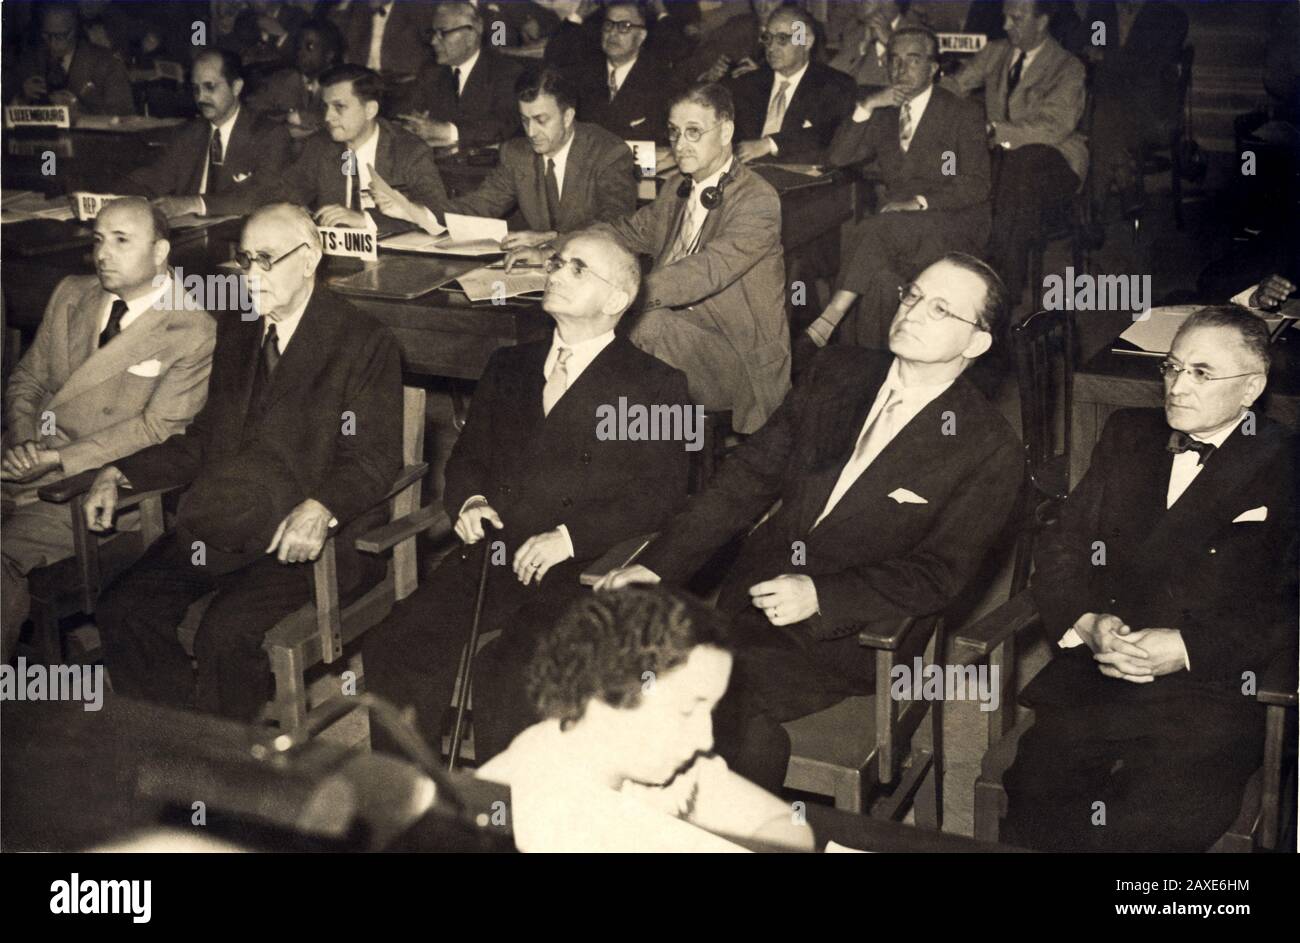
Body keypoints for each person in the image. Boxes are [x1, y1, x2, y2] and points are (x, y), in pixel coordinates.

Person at [598, 253, 1021, 791]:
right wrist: (659, 565)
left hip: (852, 638)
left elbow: (940, 574)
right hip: (749, 604)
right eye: (912, 295)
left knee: (701, 704)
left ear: (976, 342)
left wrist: (822, 596)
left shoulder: (988, 446)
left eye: (940, 309)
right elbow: (746, 478)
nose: (912, 312)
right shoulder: (838, 372)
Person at [364, 230, 692, 761]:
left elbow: (662, 496)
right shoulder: (508, 365)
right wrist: (469, 502)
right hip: (495, 553)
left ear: (617, 299)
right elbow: (468, 457)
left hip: (581, 570)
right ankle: (412, 796)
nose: (555, 272)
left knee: (511, 675)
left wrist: (570, 538)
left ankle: (509, 809)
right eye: (557, 262)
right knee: (394, 645)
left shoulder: (656, 385)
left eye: (578, 268)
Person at [89, 204, 403, 722]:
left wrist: (321, 507)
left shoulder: (362, 341)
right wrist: (125, 472)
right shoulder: (238, 331)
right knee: (124, 607)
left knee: (225, 636)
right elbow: (205, 438)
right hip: (229, 520)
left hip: (308, 540)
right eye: (245, 259)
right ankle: (176, 742)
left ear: (310, 259)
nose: (251, 274)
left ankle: (228, 766)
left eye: (266, 259)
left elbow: (373, 458)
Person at [1004, 306, 1298, 852]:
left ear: (1251, 387)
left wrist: (1186, 647)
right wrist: (1086, 622)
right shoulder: (1128, 433)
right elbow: (1064, 546)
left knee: (1151, 820)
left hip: (1213, 688)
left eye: (1202, 373)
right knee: (1037, 789)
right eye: (1172, 367)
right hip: (1103, 666)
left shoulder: (1287, 462)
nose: (1178, 387)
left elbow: (1289, 607)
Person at [1, 199, 215, 661]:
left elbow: (157, 430)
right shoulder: (72, 293)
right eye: (99, 240)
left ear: (160, 251)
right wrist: (23, 441)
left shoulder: (192, 328)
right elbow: (28, 380)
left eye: (121, 241)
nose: (103, 254)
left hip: (91, 493)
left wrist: (57, 459)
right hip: (20, 462)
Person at [477, 586, 815, 852]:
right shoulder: (533, 811)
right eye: (687, 710)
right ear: (606, 694)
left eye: (709, 711)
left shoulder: (649, 762)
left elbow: (787, 826)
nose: (705, 738)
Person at [582, 82, 792, 435]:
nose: (680, 144)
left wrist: (630, 293)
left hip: (736, 357)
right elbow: (626, 232)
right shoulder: (676, 189)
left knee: (644, 325)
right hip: (676, 338)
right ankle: (614, 436)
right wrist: (553, 245)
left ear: (725, 132)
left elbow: (706, 270)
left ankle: (624, 438)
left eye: (693, 132)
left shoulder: (757, 199)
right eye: (674, 132)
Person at [807, 27, 990, 352]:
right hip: (896, 232)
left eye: (913, 59)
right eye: (894, 60)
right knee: (881, 281)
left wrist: (919, 202)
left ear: (933, 68)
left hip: (953, 223)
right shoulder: (884, 112)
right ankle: (869, 367)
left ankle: (831, 316)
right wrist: (867, 106)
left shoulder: (962, 113)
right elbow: (838, 158)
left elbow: (976, 185)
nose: (901, 69)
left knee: (876, 226)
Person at [374, 67, 636, 251]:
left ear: (568, 116)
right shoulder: (516, 154)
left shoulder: (609, 153)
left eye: (541, 120)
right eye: (525, 120)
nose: (531, 132)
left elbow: (615, 224)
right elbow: (478, 206)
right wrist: (416, 211)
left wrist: (552, 239)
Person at [946, 0, 1088, 305]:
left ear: (1042, 21)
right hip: (1005, 163)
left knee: (1020, 167)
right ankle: (974, 272)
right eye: (1005, 18)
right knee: (970, 167)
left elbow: (1054, 126)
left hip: (1055, 160)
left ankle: (1001, 288)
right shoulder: (996, 52)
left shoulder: (1067, 66)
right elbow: (956, 85)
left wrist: (993, 131)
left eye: (1016, 19)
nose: (1006, 26)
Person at [273, 64, 448, 234]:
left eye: (339, 107)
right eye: (326, 107)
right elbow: (286, 194)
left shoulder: (409, 150)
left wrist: (367, 220)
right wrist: (299, 213)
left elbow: (437, 212)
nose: (328, 117)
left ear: (370, 110)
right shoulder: (320, 146)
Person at [120, 50, 292, 219]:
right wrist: (117, 196)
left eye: (210, 87)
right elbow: (154, 178)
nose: (201, 97)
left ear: (236, 87)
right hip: (188, 231)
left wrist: (195, 204)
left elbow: (263, 194)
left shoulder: (270, 135)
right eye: (196, 89)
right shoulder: (188, 134)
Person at [1082, 1, 1189, 224]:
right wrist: (1105, 57)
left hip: (1150, 113)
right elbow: (1091, 51)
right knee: (1107, 112)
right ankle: (1125, 180)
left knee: (1105, 116)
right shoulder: (1101, 11)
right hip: (1108, 105)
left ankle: (1096, 211)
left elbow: (1152, 67)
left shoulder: (1171, 17)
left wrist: (1107, 58)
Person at [727, 5, 856, 165]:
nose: (771, 47)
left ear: (806, 41)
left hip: (801, 174)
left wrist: (769, 144)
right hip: (747, 172)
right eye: (767, 38)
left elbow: (828, 134)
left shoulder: (836, 85)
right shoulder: (748, 83)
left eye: (782, 39)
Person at [397, 1, 523, 149]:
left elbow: (506, 124)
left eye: (443, 33)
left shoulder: (506, 71)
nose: (433, 41)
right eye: (433, 33)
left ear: (471, 36)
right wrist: (410, 126)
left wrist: (447, 131)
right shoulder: (430, 72)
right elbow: (406, 114)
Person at [572, 1, 679, 146]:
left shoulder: (661, 81)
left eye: (624, 26)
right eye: (608, 25)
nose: (612, 33)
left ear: (641, 36)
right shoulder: (584, 74)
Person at [10, 2, 134, 115]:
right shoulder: (31, 60)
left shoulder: (107, 63)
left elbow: (124, 115)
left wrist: (79, 111)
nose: (52, 43)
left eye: (61, 36)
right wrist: (21, 98)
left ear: (75, 30)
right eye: (47, 35)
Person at [245, 18, 345, 139]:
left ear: (329, 55)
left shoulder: (341, 85)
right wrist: (286, 117)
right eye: (299, 47)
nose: (301, 53)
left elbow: (339, 118)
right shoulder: (283, 79)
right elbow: (251, 109)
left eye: (310, 47)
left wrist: (302, 117)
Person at [828, 0, 926, 91]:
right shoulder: (854, 31)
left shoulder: (919, 35)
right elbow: (831, 75)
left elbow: (917, 83)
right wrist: (862, 47)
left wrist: (891, 43)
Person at [339, 0, 435, 81]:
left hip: (403, 82)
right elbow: (337, 35)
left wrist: (416, 77)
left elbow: (433, 47)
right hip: (365, 81)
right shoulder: (358, 9)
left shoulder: (417, 9)